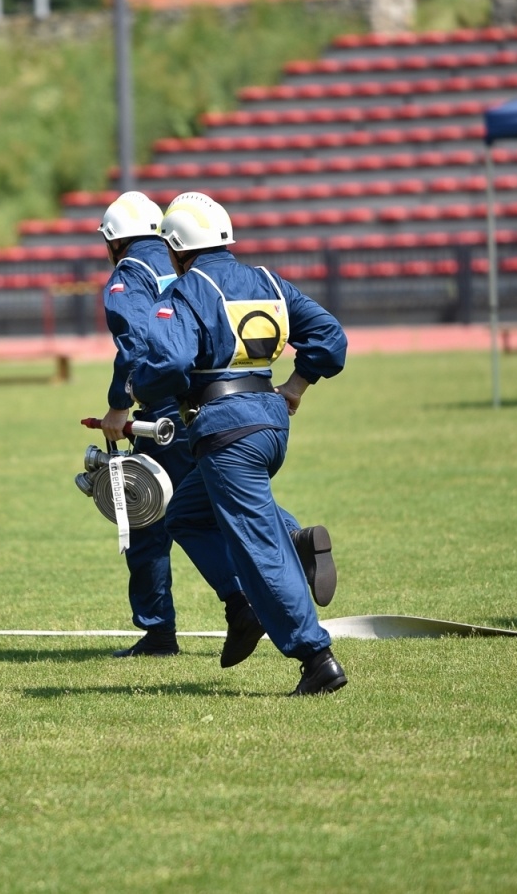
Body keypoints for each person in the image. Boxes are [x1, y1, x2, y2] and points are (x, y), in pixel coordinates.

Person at [129, 191, 349, 695]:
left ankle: (316, 657)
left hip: (226, 431)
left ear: (177, 248)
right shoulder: (269, 280)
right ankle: (255, 588)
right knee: (184, 513)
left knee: (257, 548)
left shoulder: (186, 290)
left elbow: (170, 363)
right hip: (271, 422)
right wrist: (296, 385)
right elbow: (330, 338)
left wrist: (140, 389)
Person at [96, 192, 266, 665]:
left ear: (113, 241)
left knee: (152, 519)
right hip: (214, 402)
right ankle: (293, 541)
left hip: (163, 415)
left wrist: (117, 405)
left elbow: (135, 349)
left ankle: (160, 631)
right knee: (225, 496)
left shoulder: (129, 275)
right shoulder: (185, 264)